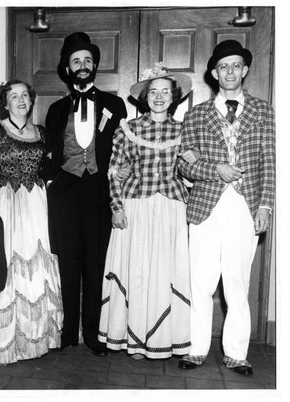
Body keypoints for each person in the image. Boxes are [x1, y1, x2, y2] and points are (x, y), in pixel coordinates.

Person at [177, 40, 275, 376]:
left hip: (245, 206)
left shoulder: (263, 111)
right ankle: (196, 349)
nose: (230, 71)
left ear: (245, 70)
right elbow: (185, 166)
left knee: (236, 282)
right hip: (205, 205)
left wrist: (266, 205)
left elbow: (270, 162)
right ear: (214, 73)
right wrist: (214, 168)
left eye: (236, 65)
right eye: (223, 66)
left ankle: (236, 353)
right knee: (201, 281)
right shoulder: (196, 114)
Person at [98, 63, 197, 360]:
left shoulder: (184, 130)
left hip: (171, 209)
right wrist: (116, 208)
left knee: (167, 272)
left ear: (174, 97)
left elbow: (189, 169)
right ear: (144, 96)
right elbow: (114, 172)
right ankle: (135, 340)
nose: (159, 96)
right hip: (136, 207)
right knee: (138, 271)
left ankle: (169, 339)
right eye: (153, 91)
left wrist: (196, 157)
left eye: (166, 91)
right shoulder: (128, 129)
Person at [44, 32, 127, 357]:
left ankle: (93, 334)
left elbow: (123, 148)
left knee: (95, 264)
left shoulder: (113, 104)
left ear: (94, 67)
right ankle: (67, 333)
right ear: (67, 68)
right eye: (76, 61)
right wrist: (52, 181)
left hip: (98, 192)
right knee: (67, 263)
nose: (82, 66)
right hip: (64, 194)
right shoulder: (55, 108)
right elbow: (48, 149)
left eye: (87, 61)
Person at [0, 79, 63, 364]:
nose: (21, 100)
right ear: (5, 102)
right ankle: (4, 341)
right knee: (8, 263)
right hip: (4, 201)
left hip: (35, 203)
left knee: (35, 264)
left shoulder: (42, 133)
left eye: (25, 94)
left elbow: (49, 169)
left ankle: (35, 338)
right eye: (14, 96)